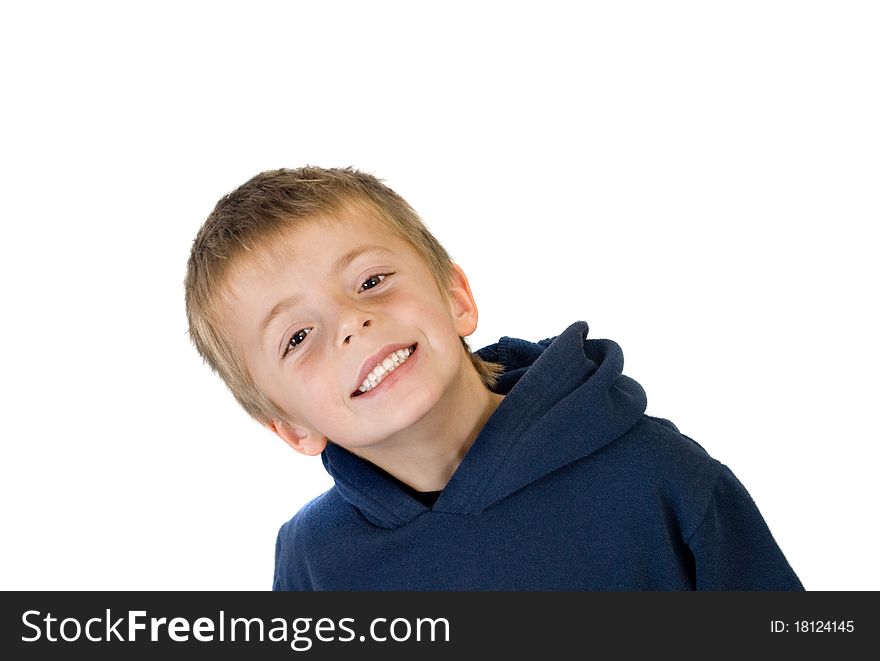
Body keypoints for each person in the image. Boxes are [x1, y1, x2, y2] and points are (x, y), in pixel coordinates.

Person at [184, 166, 804, 590]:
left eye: (371, 282)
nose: (353, 324)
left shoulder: (659, 476)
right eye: (297, 338)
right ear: (290, 429)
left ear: (456, 296)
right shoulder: (311, 560)